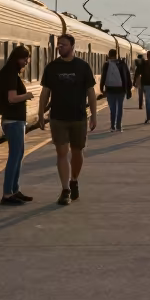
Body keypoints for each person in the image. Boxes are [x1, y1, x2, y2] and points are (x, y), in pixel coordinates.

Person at [38, 33, 97, 205]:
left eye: (63, 44)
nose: (60, 47)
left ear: (72, 46)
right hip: (58, 117)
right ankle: (65, 189)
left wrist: (93, 115)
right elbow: (45, 93)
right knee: (61, 153)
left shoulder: (83, 67)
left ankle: (74, 179)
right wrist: (41, 113)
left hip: (78, 116)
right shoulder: (52, 67)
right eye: (58, 44)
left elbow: (91, 93)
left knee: (77, 152)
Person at [0, 45, 34, 205]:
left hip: (15, 120)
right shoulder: (10, 73)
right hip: (13, 120)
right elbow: (12, 98)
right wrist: (27, 95)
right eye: (25, 59)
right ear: (18, 58)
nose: (26, 62)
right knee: (14, 156)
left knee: (18, 155)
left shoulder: (11, 72)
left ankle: (14, 190)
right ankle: (7, 194)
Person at [100, 48, 132, 132]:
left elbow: (103, 77)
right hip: (121, 90)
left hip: (110, 90)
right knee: (120, 108)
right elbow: (127, 76)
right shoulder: (122, 64)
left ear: (109, 56)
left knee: (112, 109)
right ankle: (119, 126)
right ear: (116, 55)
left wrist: (101, 88)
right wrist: (129, 89)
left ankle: (112, 126)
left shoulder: (106, 64)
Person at [134, 50, 150, 124]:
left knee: (148, 102)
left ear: (147, 56)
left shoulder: (143, 64)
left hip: (147, 85)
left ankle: (148, 118)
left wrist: (134, 82)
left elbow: (137, 72)